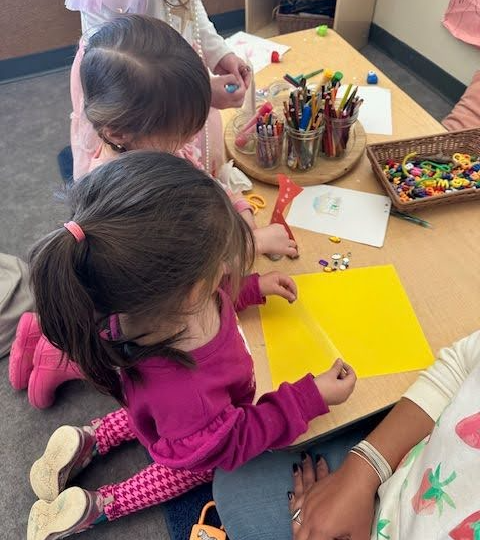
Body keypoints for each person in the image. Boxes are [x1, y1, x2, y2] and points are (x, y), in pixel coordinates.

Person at [26, 151, 356, 539]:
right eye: (225, 263)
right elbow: (234, 440)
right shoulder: (193, 395)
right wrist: (307, 397)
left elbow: (213, 296)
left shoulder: (138, 302)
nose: (231, 269)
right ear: (194, 289)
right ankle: (103, 504)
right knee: (184, 470)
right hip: (195, 437)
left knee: (151, 418)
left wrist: (251, 288)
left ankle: (93, 435)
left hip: (162, 411)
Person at [8, 15, 297, 409]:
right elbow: (188, 269)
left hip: (121, 299)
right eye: (178, 132)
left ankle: (39, 337)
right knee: (130, 354)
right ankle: (55, 358)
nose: (188, 141)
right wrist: (250, 242)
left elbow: (197, 178)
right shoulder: (137, 198)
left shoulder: (141, 151)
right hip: (135, 310)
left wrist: (237, 205)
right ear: (119, 132)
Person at [213, 330, 480, 540]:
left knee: (238, 473)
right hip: (400, 467)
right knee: (239, 473)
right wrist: (362, 469)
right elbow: (461, 364)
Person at [65, 0, 252, 178]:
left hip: (173, 89)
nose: (189, 139)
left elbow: (190, 8)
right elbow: (116, 71)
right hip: (143, 93)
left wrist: (219, 54)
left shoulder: (176, 144)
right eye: (185, 135)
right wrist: (200, 94)